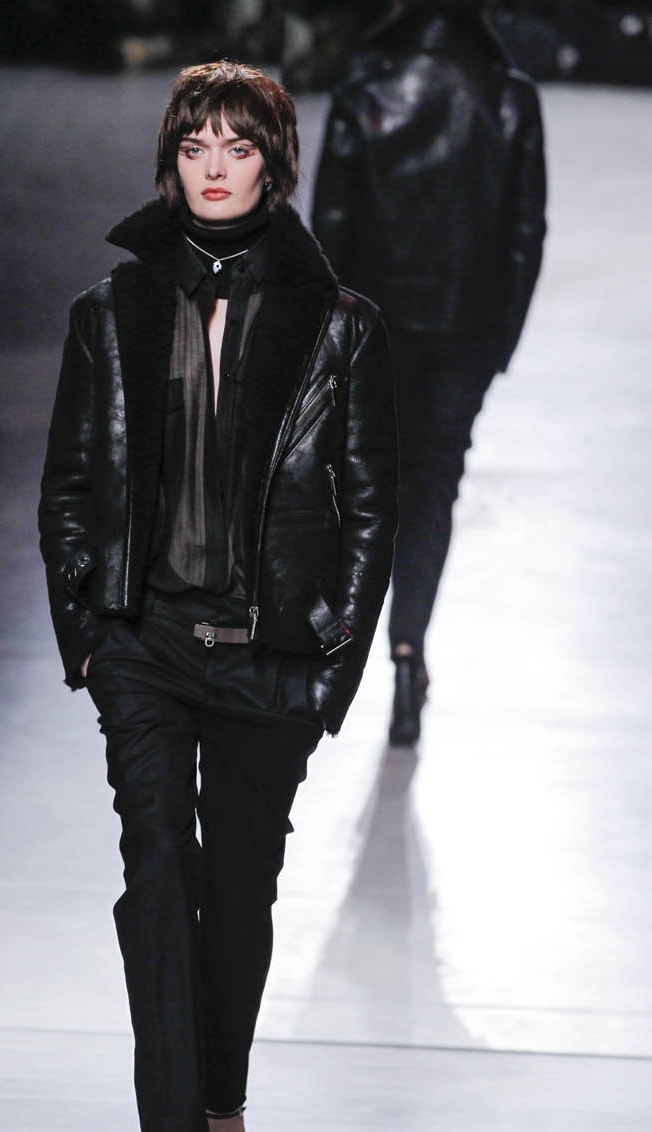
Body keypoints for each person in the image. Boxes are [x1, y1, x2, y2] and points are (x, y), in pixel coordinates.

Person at [38, 60, 398, 1132]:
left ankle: (224, 1096)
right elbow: (68, 486)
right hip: (144, 645)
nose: (213, 164)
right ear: (170, 158)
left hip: (268, 655)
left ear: (273, 163)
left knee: (237, 895)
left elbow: (371, 504)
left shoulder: (341, 325)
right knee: (157, 881)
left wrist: (329, 665)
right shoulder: (109, 313)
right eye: (194, 142)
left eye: (238, 144)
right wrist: (91, 636)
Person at [312, 0, 546, 745]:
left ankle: (330, 650)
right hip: (465, 330)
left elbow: (331, 229)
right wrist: (500, 341)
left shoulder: (363, 92)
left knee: (370, 487)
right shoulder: (510, 99)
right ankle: (408, 653)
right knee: (433, 488)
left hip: (375, 329)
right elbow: (524, 232)